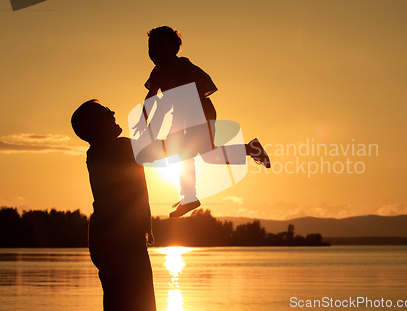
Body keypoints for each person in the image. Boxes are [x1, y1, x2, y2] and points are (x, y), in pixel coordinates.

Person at [136, 25, 271, 218]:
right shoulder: (157, 72)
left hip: (199, 111)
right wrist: (145, 122)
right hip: (183, 115)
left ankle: (190, 197)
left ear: (173, 48)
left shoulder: (180, 65)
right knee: (197, 154)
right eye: (151, 46)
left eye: (159, 46)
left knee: (191, 154)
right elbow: (152, 98)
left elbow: (185, 93)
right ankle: (250, 150)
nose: (153, 51)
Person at [71, 100, 156, 311]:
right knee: (139, 302)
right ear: (98, 124)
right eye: (106, 111)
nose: (113, 112)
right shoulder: (121, 148)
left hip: (107, 237)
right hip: (121, 239)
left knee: (118, 301)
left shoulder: (96, 153)